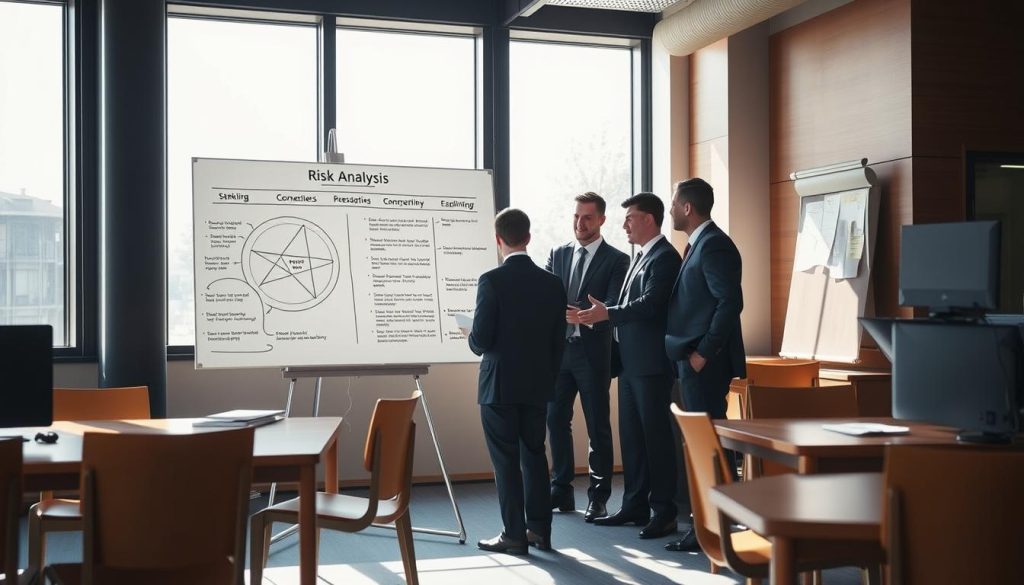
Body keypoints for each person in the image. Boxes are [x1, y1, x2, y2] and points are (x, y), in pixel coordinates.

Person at [578, 192, 681, 540]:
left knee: (656, 439)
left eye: (629, 218)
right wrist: (605, 314)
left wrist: (607, 313)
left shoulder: (664, 257)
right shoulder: (640, 256)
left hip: (651, 365)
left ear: (648, 219)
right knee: (633, 439)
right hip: (630, 364)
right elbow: (630, 304)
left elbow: (650, 304)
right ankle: (635, 505)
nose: (624, 225)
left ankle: (664, 511)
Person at [466, 208, 567, 555]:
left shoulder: (491, 281)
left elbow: (481, 340)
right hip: (538, 385)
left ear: (498, 240)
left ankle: (513, 534)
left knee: (505, 461)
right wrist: (548, 379)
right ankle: (539, 530)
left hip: (499, 387)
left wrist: (470, 336)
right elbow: (557, 342)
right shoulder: (552, 283)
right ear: (528, 237)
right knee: (535, 456)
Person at [663, 177, 746, 552]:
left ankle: (713, 526)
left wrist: (703, 354)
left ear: (687, 208)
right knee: (704, 443)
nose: (670, 209)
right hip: (692, 359)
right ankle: (712, 523)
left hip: (704, 364)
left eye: (673, 203)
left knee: (707, 444)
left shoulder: (714, 245)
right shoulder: (699, 244)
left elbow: (730, 304)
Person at [545, 192, 629, 522]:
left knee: (597, 426)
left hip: (593, 354)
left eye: (588, 217)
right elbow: (544, 295)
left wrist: (582, 315)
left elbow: (613, 305)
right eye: (577, 216)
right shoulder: (558, 253)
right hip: (560, 353)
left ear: (602, 220)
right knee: (555, 421)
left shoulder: (617, 259)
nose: (580, 223)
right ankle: (561, 489)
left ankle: (598, 496)